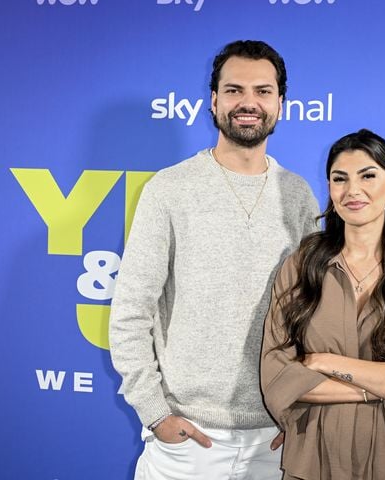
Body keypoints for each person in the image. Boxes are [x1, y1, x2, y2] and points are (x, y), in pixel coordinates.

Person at [109, 40, 319, 479]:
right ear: (214, 100)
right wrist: (155, 413)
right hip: (187, 442)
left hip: (273, 440)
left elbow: (313, 313)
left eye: (263, 91)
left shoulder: (298, 195)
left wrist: (298, 407)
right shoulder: (169, 189)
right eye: (234, 90)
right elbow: (131, 310)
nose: (248, 103)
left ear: (281, 103)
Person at [260, 129, 385, 480]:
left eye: (367, 176)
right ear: (330, 189)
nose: (352, 190)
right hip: (314, 463)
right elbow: (277, 379)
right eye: (340, 179)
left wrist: (323, 362)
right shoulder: (300, 268)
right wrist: (384, 384)